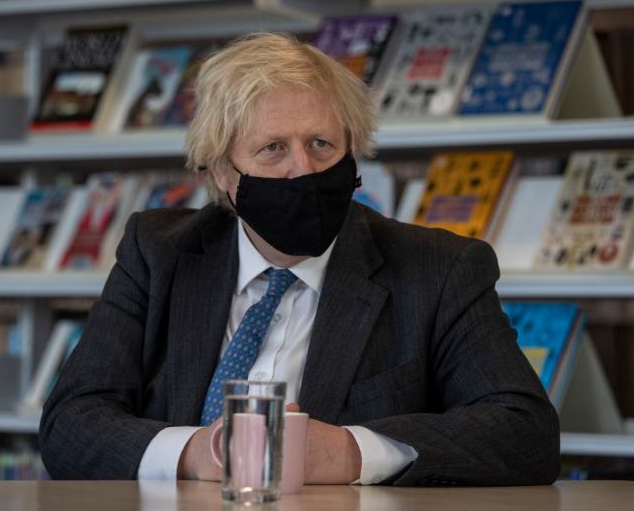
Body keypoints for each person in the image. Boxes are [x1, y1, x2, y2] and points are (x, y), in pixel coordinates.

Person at [39, 32, 559, 486]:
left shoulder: (438, 268)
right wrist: (200, 453)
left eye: (321, 144)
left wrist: (347, 452)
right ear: (222, 172)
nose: (303, 170)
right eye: (273, 149)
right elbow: (71, 423)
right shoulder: (159, 254)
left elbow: (525, 432)